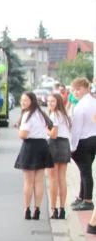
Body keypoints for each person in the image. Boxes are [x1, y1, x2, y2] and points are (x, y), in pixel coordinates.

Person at [15, 91, 54, 220]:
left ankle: (27, 209)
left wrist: (19, 131)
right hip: (43, 146)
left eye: (25, 100)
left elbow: (23, 135)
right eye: (21, 100)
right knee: (39, 181)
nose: (22, 102)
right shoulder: (41, 114)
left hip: (30, 146)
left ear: (32, 101)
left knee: (28, 181)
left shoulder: (27, 115)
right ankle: (37, 210)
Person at [71, 77, 96, 215]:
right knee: (85, 170)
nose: (76, 92)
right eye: (74, 90)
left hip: (84, 140)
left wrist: (72, 146)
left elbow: (76, 129)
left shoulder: (80, 106)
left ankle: (87, 200)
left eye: (78, 89)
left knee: (85, 171)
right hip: (94, 138)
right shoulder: (94, 102)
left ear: (85, 88)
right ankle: (82, 196)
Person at [46, 91, 72, 219]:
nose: (50, 103)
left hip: (55, 144)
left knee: (53, 179)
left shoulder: (54, 114)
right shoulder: (64, 114)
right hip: (65, 144)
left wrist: (45, 128)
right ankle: (62, 209)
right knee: (62, 178)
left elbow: (53, 134)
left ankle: (53, 209)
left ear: (58, 102)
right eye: (49, 101)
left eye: (53, 101)